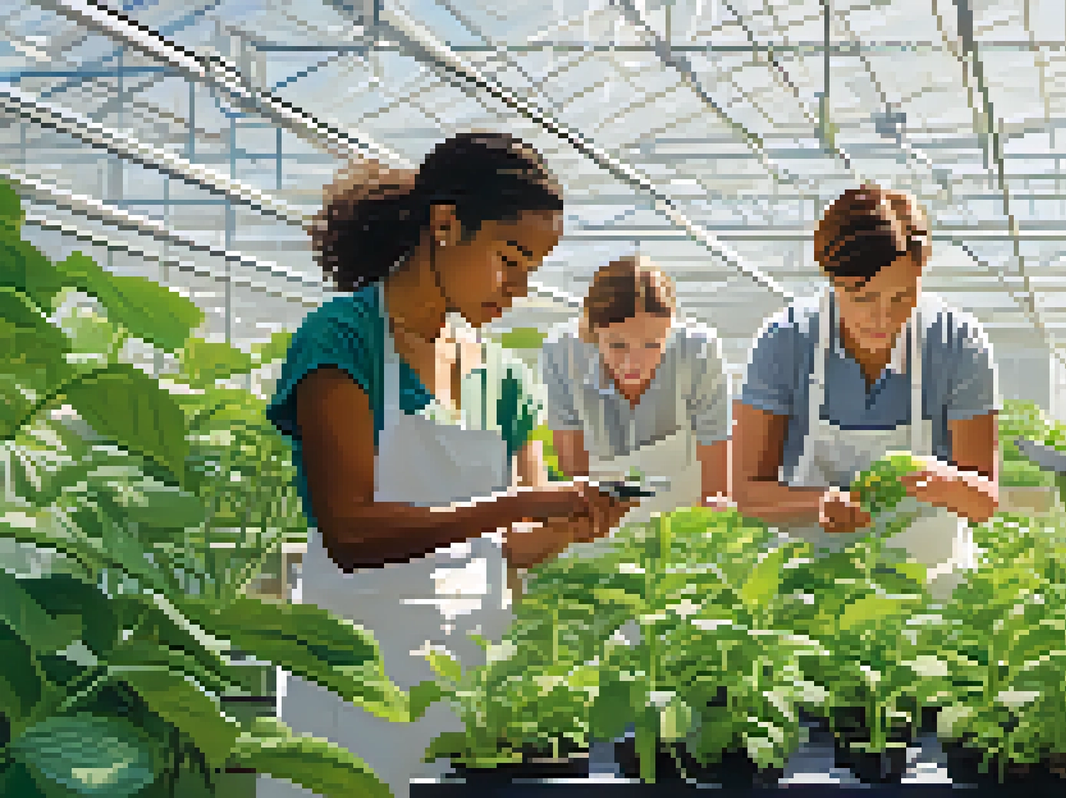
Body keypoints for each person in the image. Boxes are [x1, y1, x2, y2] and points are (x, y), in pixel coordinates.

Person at [263, 133, 633, 797]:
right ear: (444, 225)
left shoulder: (503, 377)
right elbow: (351, 531)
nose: (519, 289)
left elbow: (513, 545)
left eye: (532, 270)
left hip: (466, 701)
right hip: (351, 693)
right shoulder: (340, 341)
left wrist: (569, 525)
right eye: (509, 259)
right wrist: (521, 505)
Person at [732, 184, 1001, 600]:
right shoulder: (786, 340)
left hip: (930, 580)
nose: (883, 317)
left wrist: (945, 483)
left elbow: (985, 501)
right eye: (863, 297)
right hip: (812, 579)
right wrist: (817, 504)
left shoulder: (957, 342)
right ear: (831, 280)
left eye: (903, 296)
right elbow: (748, 492)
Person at [542, 255, 733, 528]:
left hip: (685, 516)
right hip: (601, 518)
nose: (633, 364)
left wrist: (707, 532)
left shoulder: (699, 352)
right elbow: (576, 476)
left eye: (653, 345)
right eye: (617, 345)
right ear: (593, 332)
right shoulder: (562, 354)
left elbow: (715, 481)